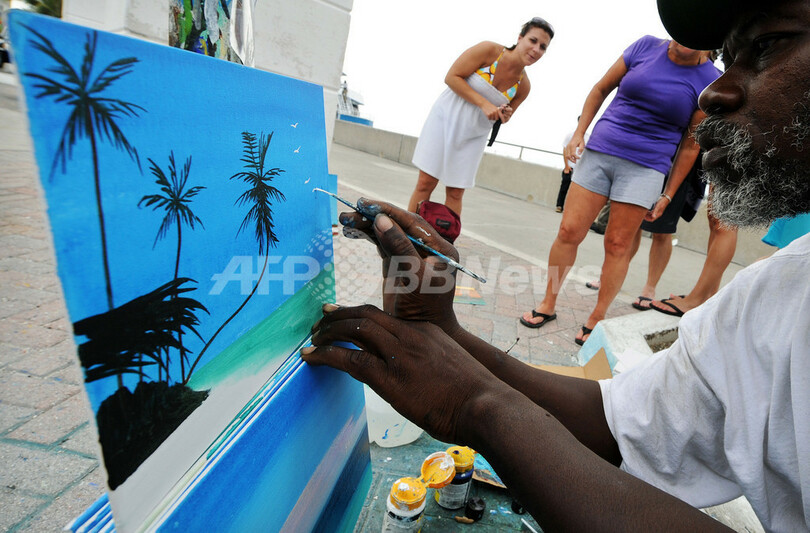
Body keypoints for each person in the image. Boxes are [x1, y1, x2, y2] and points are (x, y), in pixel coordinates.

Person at [302, 0, 810, 529]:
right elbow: (621, 426)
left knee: (617, 242)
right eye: (729, 59)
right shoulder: (778, 288)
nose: (715, 92)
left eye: (769, 44)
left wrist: (478, 405)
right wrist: (442, 330)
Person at [519, 34, 720, 346]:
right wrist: (579, 133)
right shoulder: (645, 47)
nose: (682, 40)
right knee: (569, 231)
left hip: (647, 167)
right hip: (600, 151)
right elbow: (600, 89)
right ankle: (548, 303)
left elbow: (691, 145)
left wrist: (668, 194)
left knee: (617, 244)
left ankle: (597, 316)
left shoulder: (710, 80)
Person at [406, 17, 554, 217]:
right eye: (533, 41)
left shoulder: (524, 86)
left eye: (543, 47)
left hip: (474, 135)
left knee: (456, 192)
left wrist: (505, 114)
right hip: (447, 119)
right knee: (426, 183)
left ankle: (443, 244)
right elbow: (452, 77)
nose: (536, 49)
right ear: (520, 38)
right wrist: (483, 103)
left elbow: (505, 116)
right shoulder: (489, 51)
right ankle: (408, 236)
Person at [555, 116, 583, 213]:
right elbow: (565, 149)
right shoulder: (570, 135)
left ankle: (571, 210)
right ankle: (559, 206)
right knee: (564, 187)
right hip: (570, 167)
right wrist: (566, 166)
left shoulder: (588, 137)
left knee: (576, 191)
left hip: (580, 168)